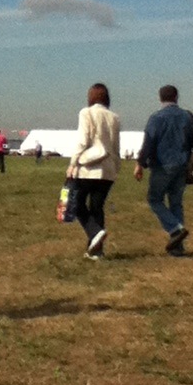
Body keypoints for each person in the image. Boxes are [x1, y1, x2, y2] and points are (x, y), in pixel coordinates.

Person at [134, 85, 193, 257]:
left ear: (160, 98)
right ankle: (177, 247)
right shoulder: (187, 116)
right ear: (176, 97)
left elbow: (149, 143)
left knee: (154, 199)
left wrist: (140, 164)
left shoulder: (156, 118)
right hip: (182, 165)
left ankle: (175, 229)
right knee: (176, 202)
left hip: (162, 165)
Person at [66, 83, 121, 260]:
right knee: (97, 207)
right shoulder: (114, 117)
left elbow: (83, 140)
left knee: (76, 203)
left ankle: (95, 232)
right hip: (108, 169)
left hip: (89, 167)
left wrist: (73, 162)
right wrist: (116, 168)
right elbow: (116, 146)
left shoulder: (86, 113)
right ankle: (96, 250)